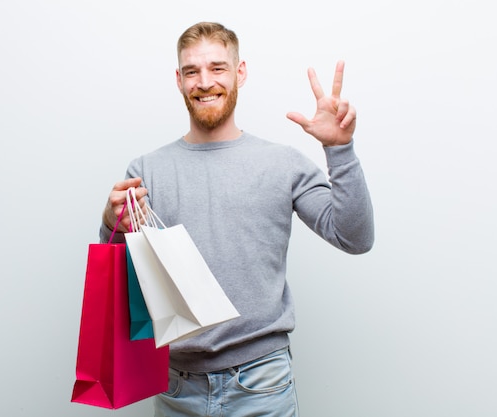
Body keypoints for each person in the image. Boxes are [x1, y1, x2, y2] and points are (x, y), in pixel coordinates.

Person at [99, 21, 374, 417]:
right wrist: (111, 222)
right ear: (179, 80)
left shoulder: (282, 163)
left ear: (239, 72)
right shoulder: (147, 170)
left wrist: (341, 151)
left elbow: (355, 238)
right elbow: (124, 283)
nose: (204, 81)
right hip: (176, 387)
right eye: (192, 71)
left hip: (263, 386)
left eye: (217, 68)